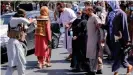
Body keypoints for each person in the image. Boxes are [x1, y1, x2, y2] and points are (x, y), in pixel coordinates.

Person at [105, 1, 133, 75]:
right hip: (111, 37)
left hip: (119, 37)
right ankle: (128, 66)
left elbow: (125, 27)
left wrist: (127, 40)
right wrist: (101, 25)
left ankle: (116, 72)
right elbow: (108, 26)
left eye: (109, 4)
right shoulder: (111, 13)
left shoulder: (121, 13)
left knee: (118, 54)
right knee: (119, 55)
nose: (109, 6)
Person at [5, 9, 29, 75]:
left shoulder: (18, 22)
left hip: (18, 43)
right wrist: (29, 20)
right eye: (24, 15)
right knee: (12, 65)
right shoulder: (13, 20)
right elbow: (27, 21)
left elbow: (26, 27)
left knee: (21, 63)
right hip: (13, 43)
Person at [85, 6, 102, 75]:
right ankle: (92, 69)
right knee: (90, 55)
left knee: (94, 55)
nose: (85, 11)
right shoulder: (90, 17)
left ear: (90, 10)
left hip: (94, 39)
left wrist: (101, 38)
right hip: (90, 38)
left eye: (86, 10)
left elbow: (100, 27)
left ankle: (93, 70)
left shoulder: (95, 17)